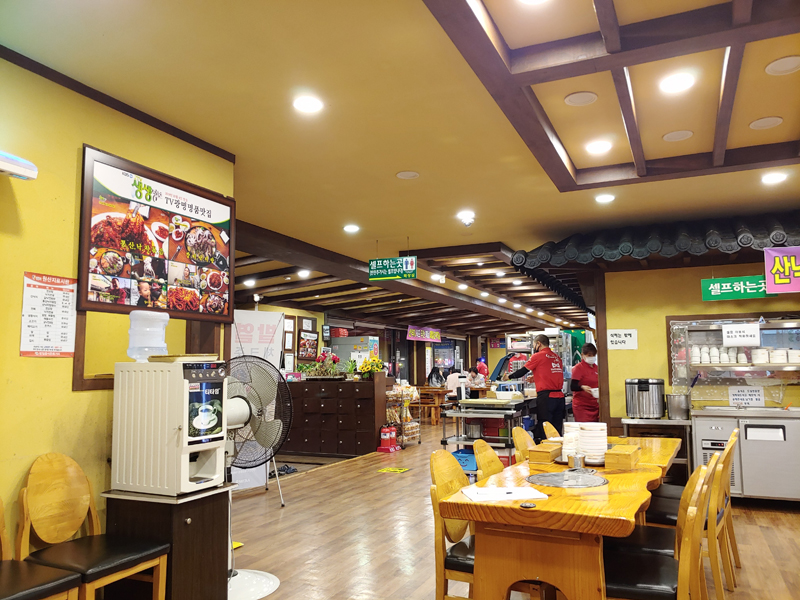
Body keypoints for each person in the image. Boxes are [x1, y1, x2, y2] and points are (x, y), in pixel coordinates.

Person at [506, 334, 565, 442]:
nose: (534, 347)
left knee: (545, 427)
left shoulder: (537, 356)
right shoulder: (556, 357)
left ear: (538, 344)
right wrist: (536, 377)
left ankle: (546, 450)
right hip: (560, 398)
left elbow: (523, 371)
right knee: (556, 429)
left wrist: (508, 377)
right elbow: (553, 373)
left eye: (533, 345)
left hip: (547, 398)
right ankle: (558, 449)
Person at [570, 343, 600, 422]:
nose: (592, 357)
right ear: (583, 355)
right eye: (589, 355)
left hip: (595, 405)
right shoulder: (578, 368)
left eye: (594, 355)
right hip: (582, 406)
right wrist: (582, 387)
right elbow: (573, 386)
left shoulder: (597, 368)